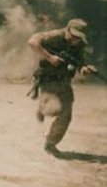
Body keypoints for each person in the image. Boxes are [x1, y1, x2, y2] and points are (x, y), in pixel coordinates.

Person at [27, 18, 97, 156]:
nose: (75, 39)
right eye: (73, 35)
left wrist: (84, 69)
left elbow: (81, 62)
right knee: (52, 109)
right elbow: (32, 42)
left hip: (64, 80)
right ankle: (43, 107)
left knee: (66, 114)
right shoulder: (55, 36)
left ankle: (50, 143)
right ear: (68, 29)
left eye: (79, 37)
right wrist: (49, 57)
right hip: (47, 79)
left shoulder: (80, 44)